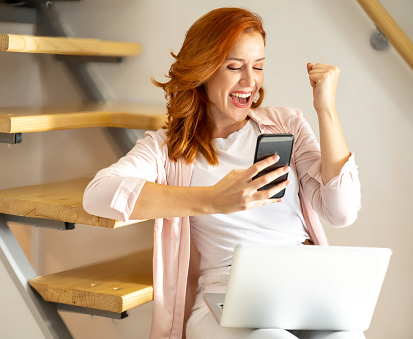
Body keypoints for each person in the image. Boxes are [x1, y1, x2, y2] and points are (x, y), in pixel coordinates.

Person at [83, 7, 361, 339]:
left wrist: (325, 107)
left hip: (302, 281)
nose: (250, 81)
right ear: (203, 69)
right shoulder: (166, 149)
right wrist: (213, 199)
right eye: (234, 67)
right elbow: (97, 195)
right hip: (227, 292)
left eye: (258, 66)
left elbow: (341, 211)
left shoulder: (286, 124)